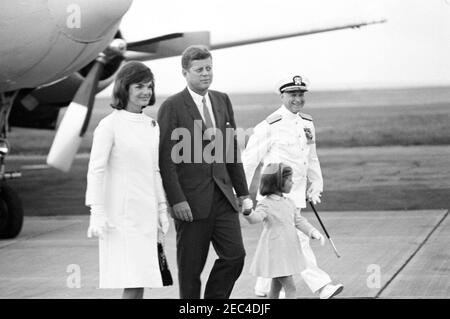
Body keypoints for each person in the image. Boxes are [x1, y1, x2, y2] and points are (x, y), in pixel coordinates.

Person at [157, 45, 249, 299]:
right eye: (199, 70)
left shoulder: (222, 99)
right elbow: (166, 160)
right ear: (185, 72)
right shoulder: (172, 106)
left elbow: (231, 149)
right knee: (190, 270)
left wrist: (242, 192)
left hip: (223, 198)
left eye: (209, 68)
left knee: (235, 256)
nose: (206, 74)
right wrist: (176, 200)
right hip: (190, 202)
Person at [242, 75, 344, 299]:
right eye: (292, 95)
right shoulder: (269, 125)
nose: (297, 99)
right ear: (282, 96)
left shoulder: (307, 123)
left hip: (295, 194)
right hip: (273, 196)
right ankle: (322, 286)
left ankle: (262, 287)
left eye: (300, 94)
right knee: (298, 241)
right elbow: (248, 161)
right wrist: (240, 195)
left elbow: (311, 157)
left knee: (277, 243)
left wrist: (316, 184)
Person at [85, 61, 171, 299]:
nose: (146, 92)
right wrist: (96, 211)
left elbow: (154, 170)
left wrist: (162, 208)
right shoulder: (109, 125)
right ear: (125, 88)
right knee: (132, 280)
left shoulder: (151, 125)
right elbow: (96, 170)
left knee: (142, 279)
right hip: (121, 217)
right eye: (139, 86)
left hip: (146, 215)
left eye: (149, 87)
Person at [242, 163, 325, 299]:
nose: (293, 183)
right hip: (276, 252)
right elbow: (255, 218)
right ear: (278, 183)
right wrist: (247, 211)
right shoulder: (266, 203)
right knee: (290, 288)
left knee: (275, 287)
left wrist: (312, 232)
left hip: (286, 250)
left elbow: (298, 221)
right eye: (290, 180)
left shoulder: (289, 202)